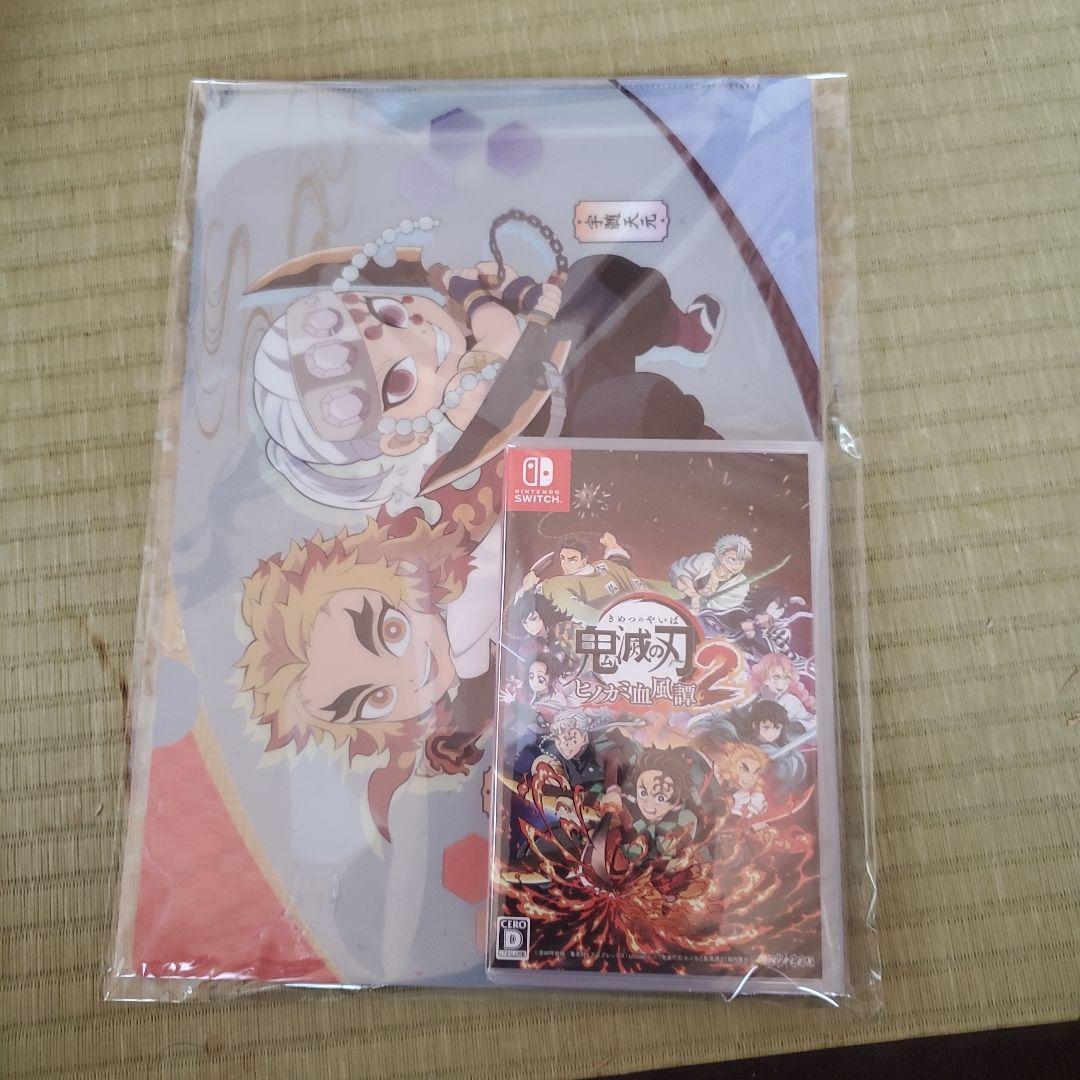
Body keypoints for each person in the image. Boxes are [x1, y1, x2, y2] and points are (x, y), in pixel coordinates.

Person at [236, 517, 488, 842]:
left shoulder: (478, 599)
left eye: (392, 631)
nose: (411, 675)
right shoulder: (473, 687)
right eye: (378, 698)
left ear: (401, 575)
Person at [670, 534, 753, 633]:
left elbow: (716, 609)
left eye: (742, 561)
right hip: (685, 605)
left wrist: (700, 603)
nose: (737, 566)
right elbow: (678, 571)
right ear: (721, 557)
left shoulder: (741, 584)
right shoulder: (707, 559)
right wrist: (693, 594)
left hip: (711, 621)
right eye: (733, 559)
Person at [747, 653, 815, 727]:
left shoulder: (789, 700)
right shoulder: (757, 705)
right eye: (776, 678)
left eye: (786, 678)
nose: (781, 683)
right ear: (765, 680)